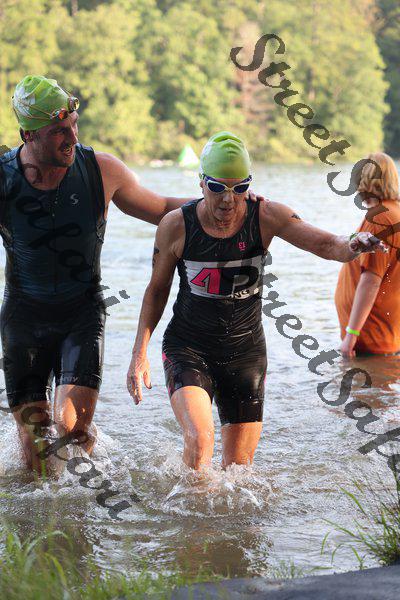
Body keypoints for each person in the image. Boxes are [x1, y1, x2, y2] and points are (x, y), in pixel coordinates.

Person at [0, 76, 262, 475]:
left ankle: (87, 484)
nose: (72, 137)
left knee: (71, 428)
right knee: (33, 443)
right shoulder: (4, 179)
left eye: (74, 125)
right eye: (59, 132)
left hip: (81, 316)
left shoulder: (100, 169)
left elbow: (160, 207)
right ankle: (43, 510)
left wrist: (227, 198)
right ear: (28, 135)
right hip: (22, 316)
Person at [127, 131, 387, 471]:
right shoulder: (176, 225)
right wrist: (139, 353)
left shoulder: (266, 216)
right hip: (188, 348)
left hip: (246, 354)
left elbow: (327, 244)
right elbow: (157, 290)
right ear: (201, 182)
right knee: (201, 440)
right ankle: (188, 507)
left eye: (240, 188)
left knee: (238, 470)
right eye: (217, 187)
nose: (228, 200)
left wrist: (353, 243)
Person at [335, 152, 400, 358]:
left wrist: (351, 335)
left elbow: (371, 280)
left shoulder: (379, 218)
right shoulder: (394, 212)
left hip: (370, 338)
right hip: (386, 335)